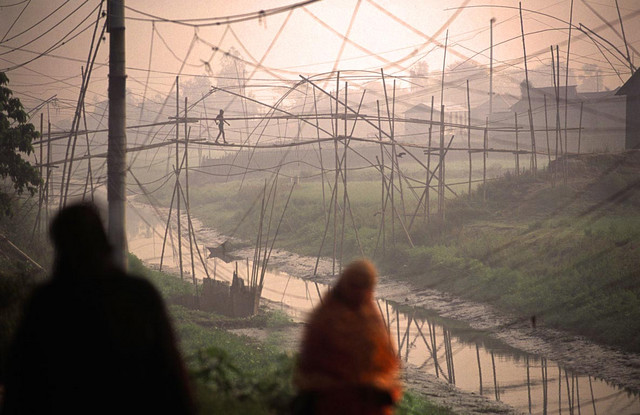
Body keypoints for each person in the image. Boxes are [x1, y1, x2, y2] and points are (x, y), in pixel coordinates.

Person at [1, 203, 195, 415]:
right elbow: (172, 376)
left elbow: (21, 380)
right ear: (103, 243)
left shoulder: (47, 302)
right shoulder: (138, 295)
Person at [293, 259, 402, 415]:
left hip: (370, 405)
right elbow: (309, 366)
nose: (359, 292)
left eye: (364, 286)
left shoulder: (373, 320)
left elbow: (388, 364)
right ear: (344, 284)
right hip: (332, 403)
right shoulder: (324, 319)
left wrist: (381, 383)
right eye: (354, 286)